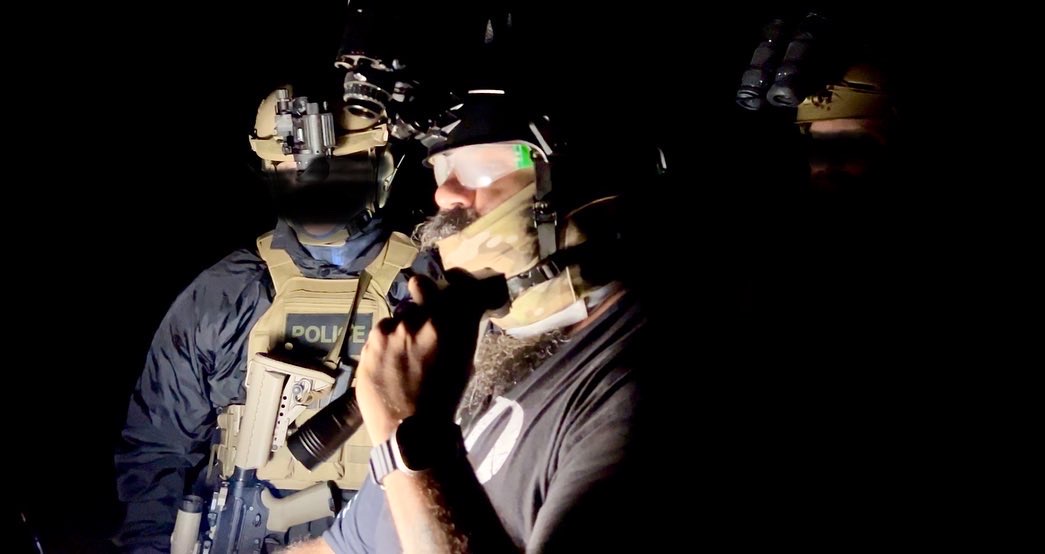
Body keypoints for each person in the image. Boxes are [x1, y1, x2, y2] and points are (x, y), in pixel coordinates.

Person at [281, 88, 652, 553]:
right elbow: (343, 548)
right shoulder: (473, 352)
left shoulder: (629, 395)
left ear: (576, 174)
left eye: (480, 165)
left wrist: (407, 431)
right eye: (444, 166)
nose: (444, 191)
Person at [114, 81, 421, 553]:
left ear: (379, 169)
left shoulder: (425, 285)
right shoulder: (225, 293)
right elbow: (157, 447)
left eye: (328, 172)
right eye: (289, 172)